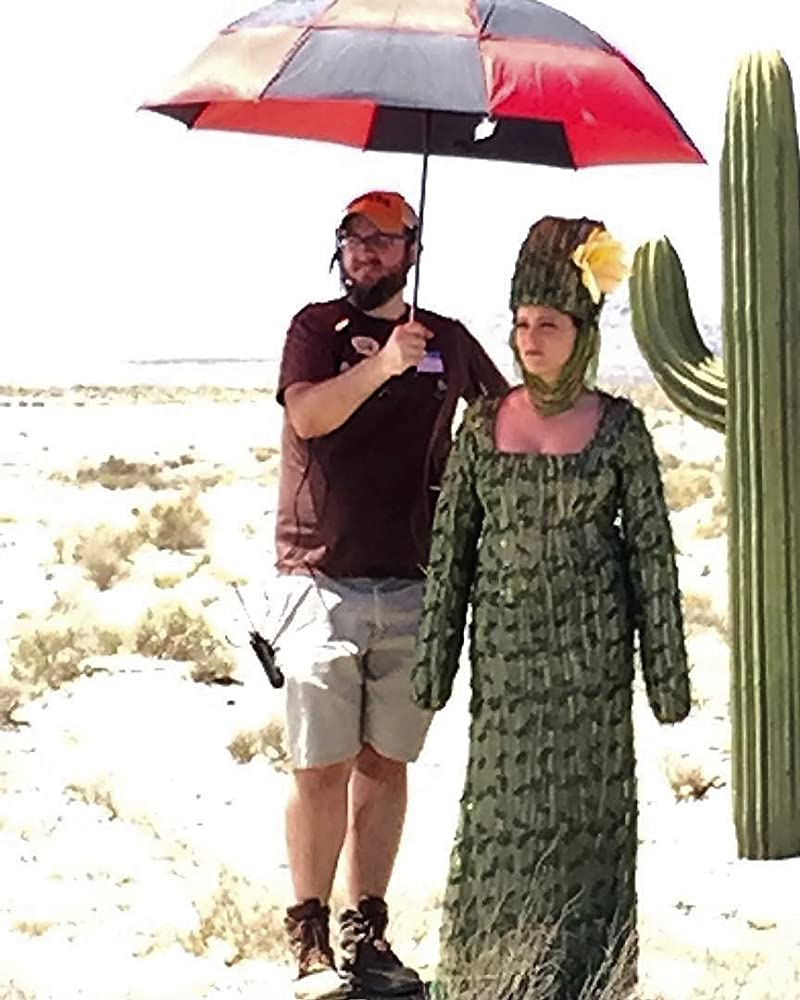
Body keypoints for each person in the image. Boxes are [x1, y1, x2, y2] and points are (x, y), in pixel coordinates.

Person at [412, 216, 692, 999]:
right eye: (521, 323)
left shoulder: (619, 429)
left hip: (592, 665)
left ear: (583, 332)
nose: (529, 340)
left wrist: (666, 679)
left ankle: (586, 978)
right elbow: (452, 551)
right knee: (500, 817)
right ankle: (490, 975)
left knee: (588, 821)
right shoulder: (482, 425)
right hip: (506, 661)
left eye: (548, 324)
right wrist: (434, 666)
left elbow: (651, 556)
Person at [272, 190, 508, 1000]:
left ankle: (366, 933)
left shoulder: (445, 339)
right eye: (354, 236)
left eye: (384, 237)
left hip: (415, 582)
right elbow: (308, 416)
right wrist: (382, 366)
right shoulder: (316, 330)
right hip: (320, 577)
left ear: (413, 248)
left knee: (385, 761)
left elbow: (504, 419)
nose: (366, 250)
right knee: (320, 763)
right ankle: (308, 940)